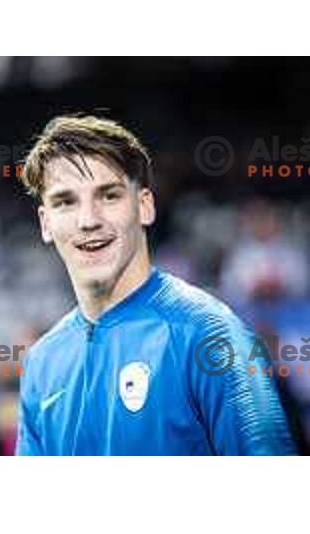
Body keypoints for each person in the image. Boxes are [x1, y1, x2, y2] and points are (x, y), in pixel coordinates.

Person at [15, 115, 296, 455]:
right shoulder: (42, 361)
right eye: (65, 202)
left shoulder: (209, 334)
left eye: (109, 195)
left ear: (145, 206)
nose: (88, 220)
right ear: (45, 224)